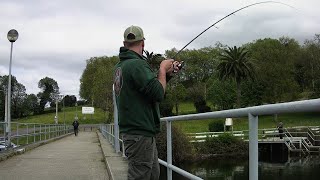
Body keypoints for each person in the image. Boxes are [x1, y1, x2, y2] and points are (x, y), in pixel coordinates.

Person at [114, 25, 180, 180]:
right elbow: (158, 94)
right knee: (141, 175)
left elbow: (149, 90)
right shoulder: (137, 64)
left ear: (125, 44)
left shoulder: (121, 66)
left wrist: (166, 76)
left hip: (136, 132)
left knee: (152, 174)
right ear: (143, 43)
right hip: (140, 133)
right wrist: (162, 69)